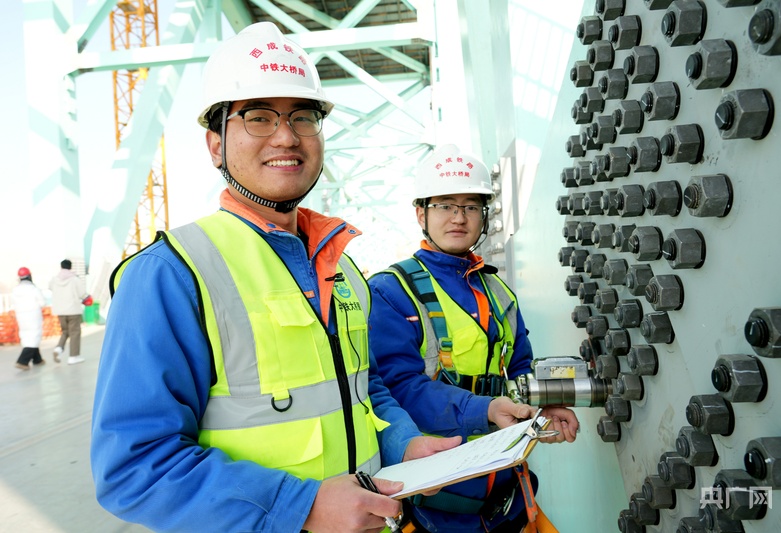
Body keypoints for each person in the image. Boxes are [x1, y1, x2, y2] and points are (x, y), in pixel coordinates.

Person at [90, 22, 460, 533]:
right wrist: (301, 506)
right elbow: (133, 469)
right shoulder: (172, 273)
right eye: (259, 116)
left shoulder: (342, 267)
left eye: (303, 116)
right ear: (215, 145)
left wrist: (404, 442)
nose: (287, 135)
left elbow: (361, 386)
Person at [368, 145, 580, 533]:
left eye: (471, 206)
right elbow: (398, 387)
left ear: (484, 216)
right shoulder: (390, 292)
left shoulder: (496, 291)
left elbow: (519, 367)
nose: (458, 217)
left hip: (509, 497)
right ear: (421, 214)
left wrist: (543, 405)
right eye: (445, 205)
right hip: (436, 504)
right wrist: (485, 408)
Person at [49, 259, 87, 364]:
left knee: (65, 331)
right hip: (73, 310)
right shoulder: (74, 279)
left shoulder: (54, 279)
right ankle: (73, 357)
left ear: (61, 267)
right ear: (70, 267)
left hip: (60, 311)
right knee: (75, 333)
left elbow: (50, 287)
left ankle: (58, 349)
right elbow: (82, 293)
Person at [12, 267, 46, 370]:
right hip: (33, 316)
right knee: (34, 336)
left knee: (27, 336)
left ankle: (37, 359)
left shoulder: (15, 290)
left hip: (21, 316)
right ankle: (22, 361)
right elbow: (42, 303)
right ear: (29, 276)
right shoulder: (34, 289)